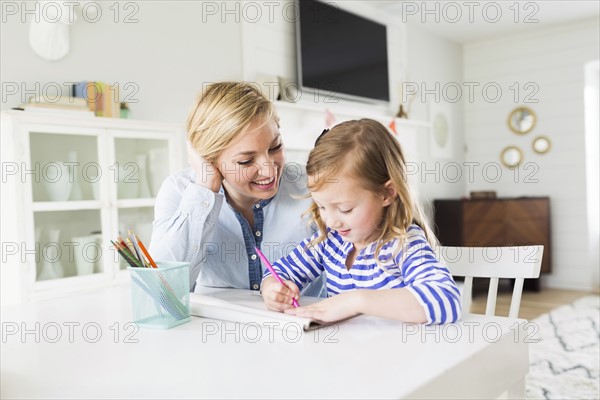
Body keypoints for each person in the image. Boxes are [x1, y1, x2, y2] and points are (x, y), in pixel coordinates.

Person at [260, 119, 461, 324]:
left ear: (386, 194)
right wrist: (272, 288)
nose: (331, 222)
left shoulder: (402, 244)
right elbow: (278, 271)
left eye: (345, 209)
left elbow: (446, 299)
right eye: (321, 207)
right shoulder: (330, 242)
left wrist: (356, 301)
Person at [149, 82, 324, 295]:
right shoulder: (179, 191)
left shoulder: (313, 188)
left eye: (275, 147)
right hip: (216, 327)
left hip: (303, 325)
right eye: (246, 161)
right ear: (209, 159)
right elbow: (162, 291)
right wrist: (206, 187)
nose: (269, 171)